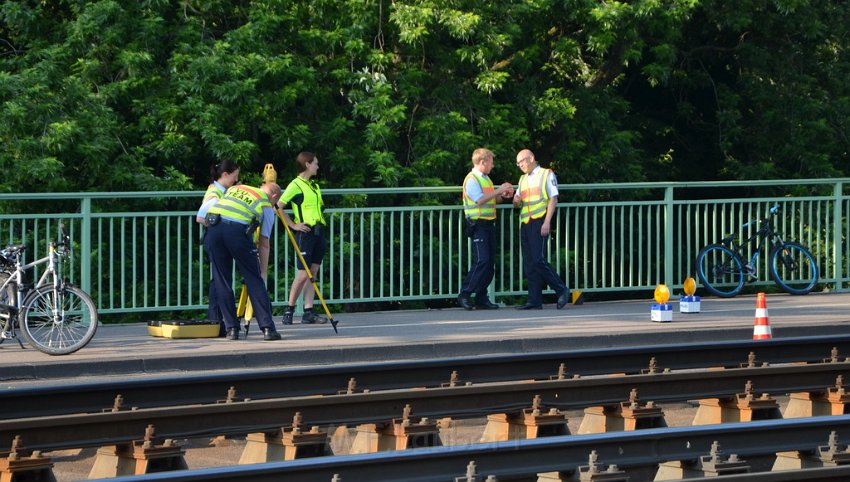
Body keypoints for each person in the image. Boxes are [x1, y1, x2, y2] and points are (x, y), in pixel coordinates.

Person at [204, 182, 283, 340]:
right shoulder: (265, 204)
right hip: (236, 233)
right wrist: (262, 271)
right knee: (254, 279)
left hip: (213, 229)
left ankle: (231, 329)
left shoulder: (235, 188)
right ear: (274, 196)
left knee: (222, 280)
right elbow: (264, 242)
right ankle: (268, 328)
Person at [457, 148, 515, 310]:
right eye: (491, 162)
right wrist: (499, 190)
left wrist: (503, 196)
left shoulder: (486, 179)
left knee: (489, 264)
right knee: (482, 261)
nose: (493, 165)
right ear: (482, 162)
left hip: (489, 224)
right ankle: (465, 294)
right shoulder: (472, 179)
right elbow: (479, 200)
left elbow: (492, 200)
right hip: (478, 224)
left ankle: (482, 298)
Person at [512, 149, 570, 310]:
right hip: (525, 222)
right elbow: (518, 204)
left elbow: (553, 198)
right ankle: (534, 300)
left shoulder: (546, 174)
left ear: (531, 158)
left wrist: (547, 222)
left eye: (522, 161)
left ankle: (561, 289)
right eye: (518, 163)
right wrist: (516, 201)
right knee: (530, 263)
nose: (520, 165)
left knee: (538, 259)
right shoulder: (522, 179)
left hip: (539, 221)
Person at [279, 152, 328, 325]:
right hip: (305, 233)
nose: (317, 166)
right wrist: (293, 225)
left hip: (318, 231)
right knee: (302, 274)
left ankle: (308, 311)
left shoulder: (314, 186)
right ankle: (289, 309)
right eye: (315, 163)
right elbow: (278, 206)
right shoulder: (295, 185)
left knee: (313, 272)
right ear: (307, 164)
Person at [196, 160, 240, 335]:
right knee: (220, 281)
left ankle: (216, 320)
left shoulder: (221, 191)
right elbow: (200, 217)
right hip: (215, 239)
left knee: (219, 280)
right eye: (235, 176)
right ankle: (216, 320)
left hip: (217, 239)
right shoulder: (215, 194)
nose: (236, 180)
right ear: (225, 175)